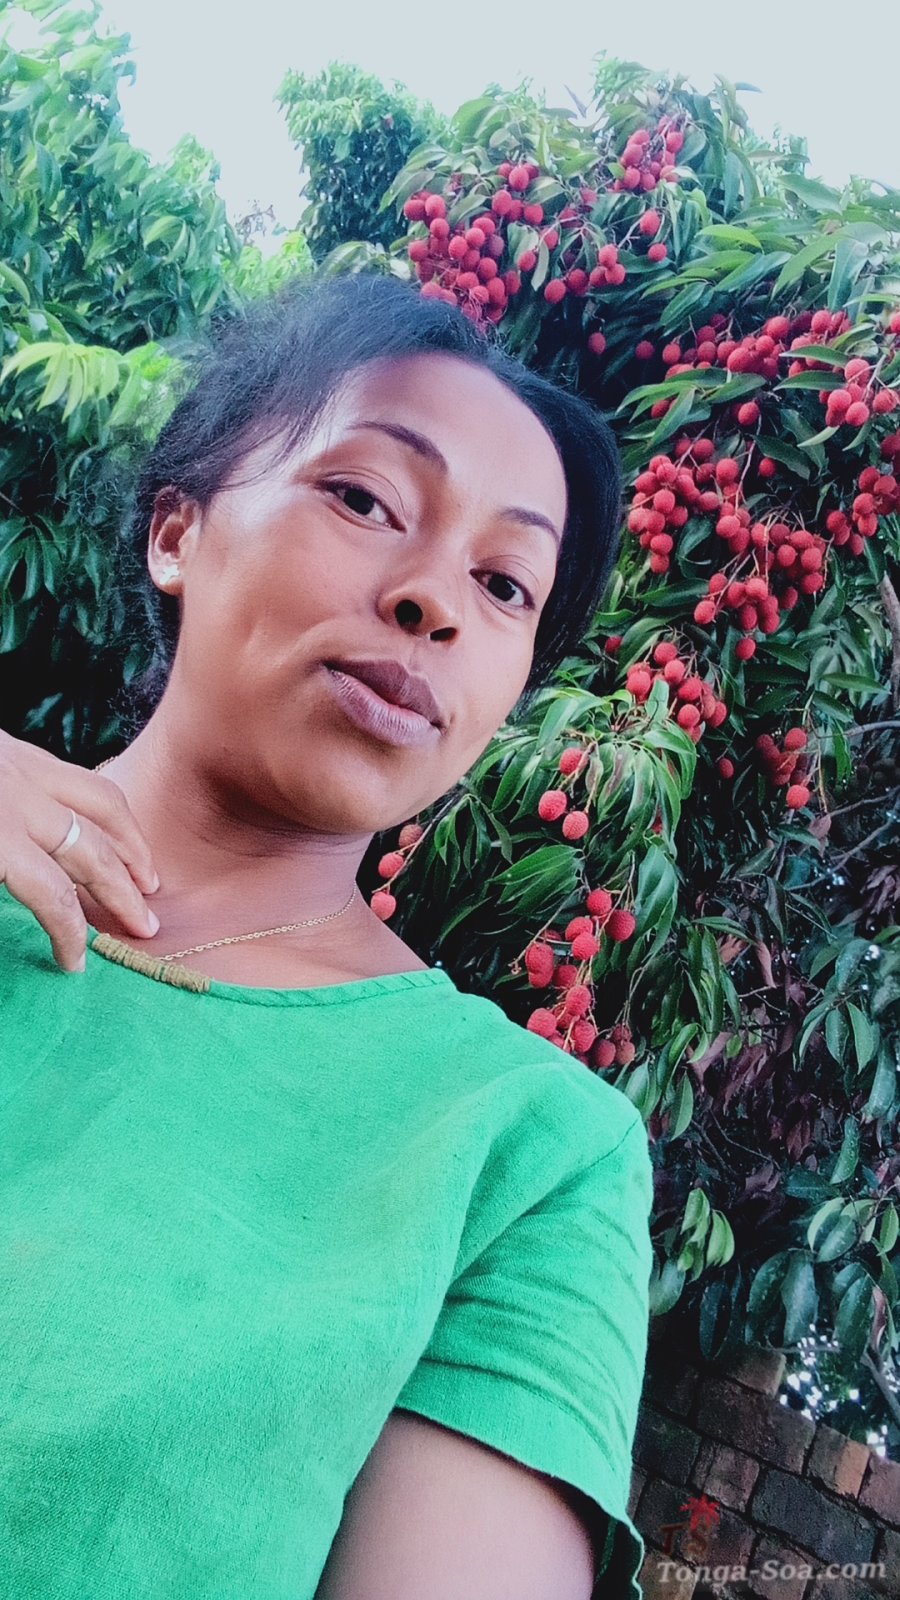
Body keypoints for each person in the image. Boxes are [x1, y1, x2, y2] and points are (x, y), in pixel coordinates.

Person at [0, 273, 653, 1600]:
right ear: (177, 529)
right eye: (364, 500)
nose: (435, 602)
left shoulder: (525, 1150)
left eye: (505, 583)